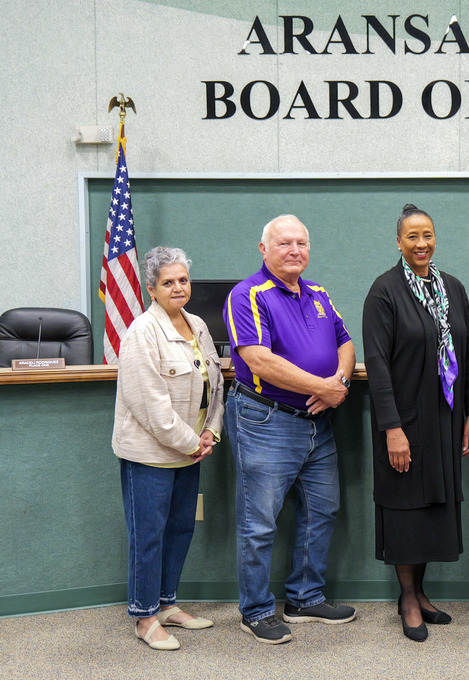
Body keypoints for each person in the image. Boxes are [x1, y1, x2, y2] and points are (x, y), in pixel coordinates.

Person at [223, 214, 357, 644]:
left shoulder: (318, 293)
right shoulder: (247, 295)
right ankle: (256, 611)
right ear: (264, 249)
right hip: (266, 421)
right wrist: (324, 387)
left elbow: (345, 343)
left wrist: (340, 383)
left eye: (301, 243)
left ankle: (304, 597)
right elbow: (258, 359)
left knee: (322, 511)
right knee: (259, 522)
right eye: (284, 243)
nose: (294, 250)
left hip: (318, 424)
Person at [362, 204, 469, 642]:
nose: (421, 244)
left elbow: (467, 354)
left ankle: (421, 590)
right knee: (404, 509)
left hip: (446, 421)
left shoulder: (452, 288)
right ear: (398, 242)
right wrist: (392, 429)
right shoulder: (384, 291)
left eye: (427, 235)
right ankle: (407, 597)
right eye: (412, 236)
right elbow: (376, 366)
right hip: (406, 423)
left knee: (433, 507)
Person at [112, 246, 224, 651]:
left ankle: (166, 605)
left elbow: (216, 383)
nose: (178, 288)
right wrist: (193, 442)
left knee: (179, 529)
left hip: (191, 450)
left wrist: (211, 430)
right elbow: (150, 405)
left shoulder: (197, 324)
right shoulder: (142, 332)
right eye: (168, 282)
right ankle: (144, 617)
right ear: (151, 289)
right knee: (149, 535)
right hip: (151, 454)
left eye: (183, 280)